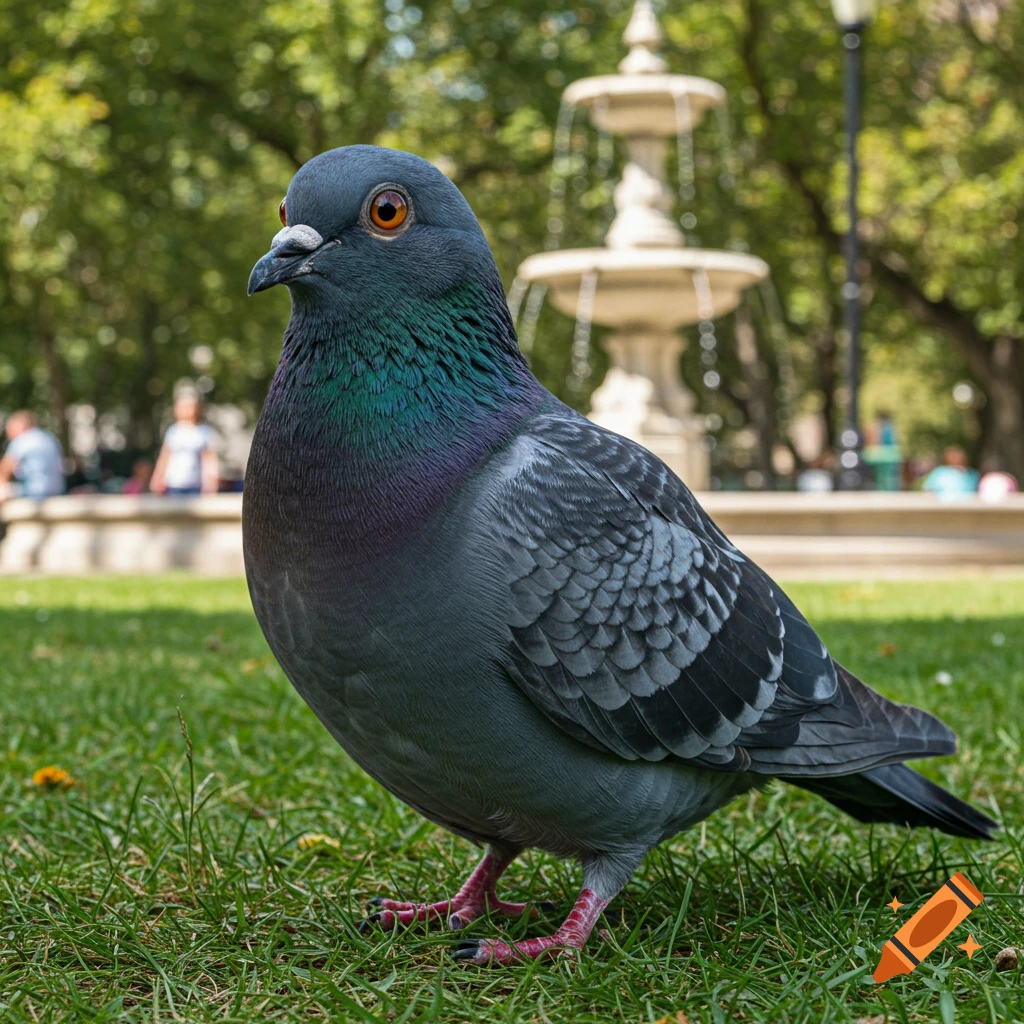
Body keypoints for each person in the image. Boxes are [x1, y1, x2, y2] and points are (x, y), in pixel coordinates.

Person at [151, 395, 220, 496]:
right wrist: (158, 478)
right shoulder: (172, 432)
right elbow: (165, 456)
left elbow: (209, 459)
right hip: (173, 484)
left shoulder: (204, 432)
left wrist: (212, 481)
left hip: (195, 484)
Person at [0, 411, 65, 499]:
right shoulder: (49, 438)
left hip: (34, 492)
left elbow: (5, 469)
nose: (9, 435)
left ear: (20, 426)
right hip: (57, 490)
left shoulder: (23, 439)